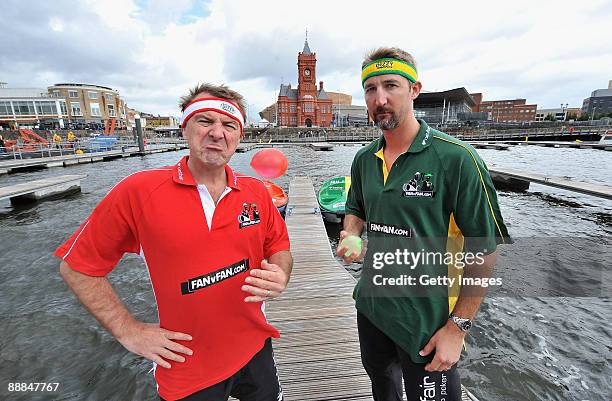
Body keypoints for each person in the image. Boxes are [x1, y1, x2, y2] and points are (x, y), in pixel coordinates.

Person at [56, 83, 293, 401]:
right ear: (185, 128)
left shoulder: (255, 192)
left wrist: (280, 273)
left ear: (240, 136)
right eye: (205, 121)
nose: (217, 133)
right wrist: (128, 330)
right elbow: (77, 267)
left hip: (256, 346)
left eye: (229, 125)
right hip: (186, 364)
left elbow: (279, 246)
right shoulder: (140, 191)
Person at [337, 47, 509, 401]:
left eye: (391, 85)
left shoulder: (456, 159)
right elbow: (355, 207)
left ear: (414, 89)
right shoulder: (364, 159)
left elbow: (485, 250)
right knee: (382, 386)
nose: (380, 98)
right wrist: (351, 232)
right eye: (370, 89)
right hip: (372, 307)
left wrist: (457, 329)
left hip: (428, 322)